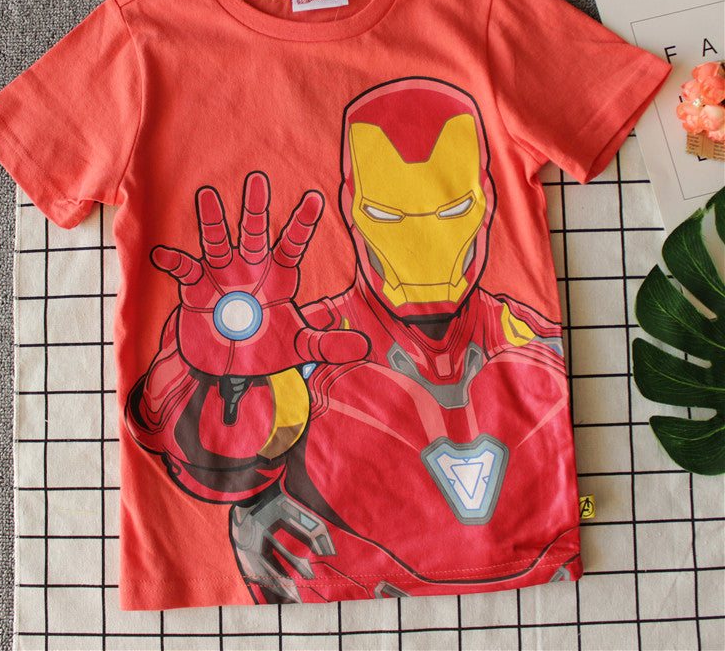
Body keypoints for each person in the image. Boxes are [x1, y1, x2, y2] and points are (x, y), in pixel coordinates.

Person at [125, 78, 579, 604]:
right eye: (388, 214)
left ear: (487, 198)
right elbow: (211, 468)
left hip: (546, 603)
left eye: (452, 209)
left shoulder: (538, 347)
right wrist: (213, 366)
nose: (421, 237)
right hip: (324, 621)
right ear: (352, 206)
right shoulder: (303, 350)